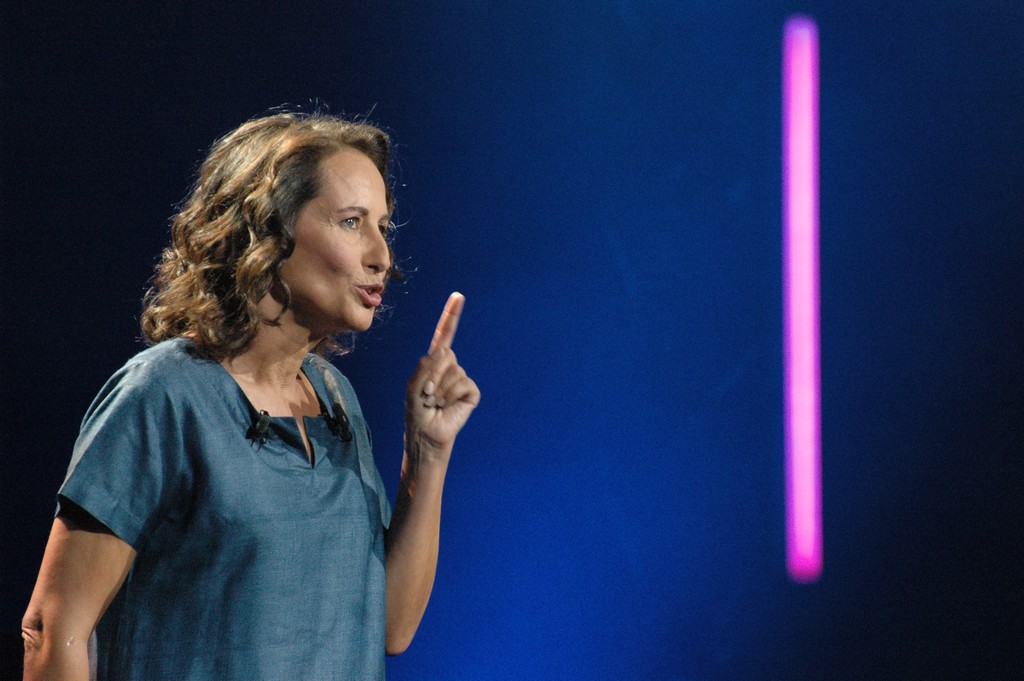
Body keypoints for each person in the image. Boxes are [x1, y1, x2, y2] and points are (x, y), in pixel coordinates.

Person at [20, 112, 479, 680]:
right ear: (267, 231)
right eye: (351, 222)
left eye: (383, 226)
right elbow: (52, 629)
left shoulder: (336, 402)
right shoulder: (164, 396)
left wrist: (427, 456)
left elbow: (389, 627)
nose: (380, 254)